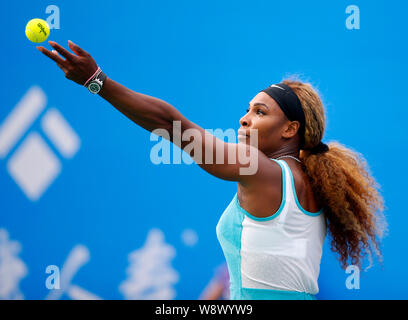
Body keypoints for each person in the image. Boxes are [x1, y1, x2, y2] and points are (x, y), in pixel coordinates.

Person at [37, 40, 387, 300]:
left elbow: (170, 123)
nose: (245, 118)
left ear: (290, 130)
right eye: (248, 109)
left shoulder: (265, 173)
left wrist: (96, 80)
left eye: (260, 112)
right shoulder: (308, 181)